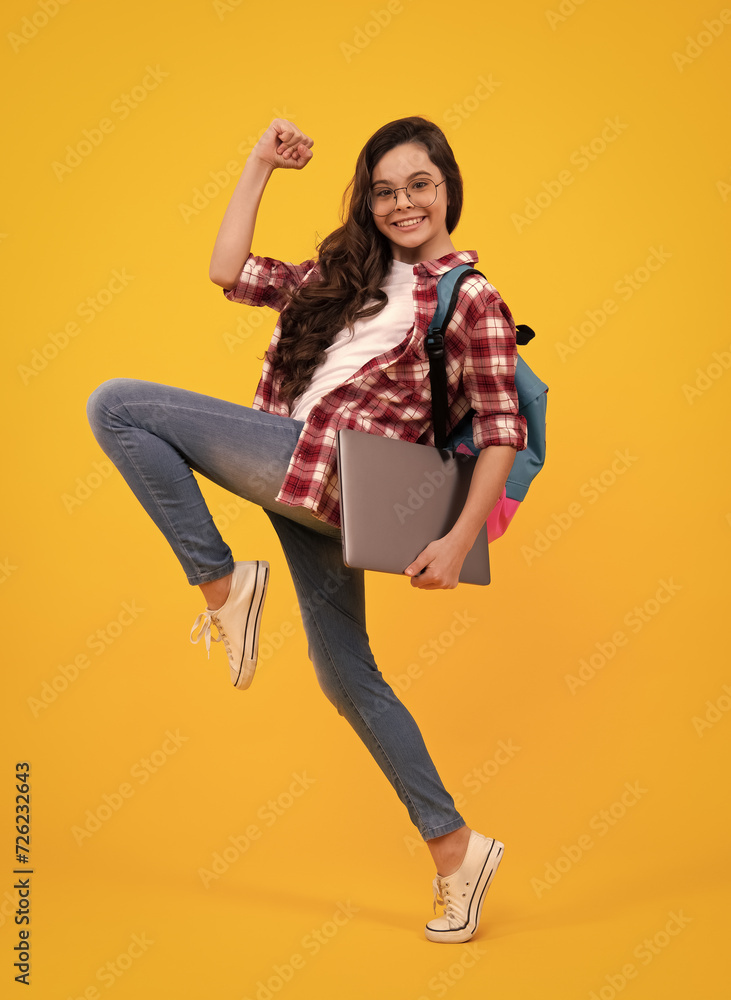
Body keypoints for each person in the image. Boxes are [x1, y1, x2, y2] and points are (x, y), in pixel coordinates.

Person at [86, 115, 527, 943]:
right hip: (307, 483)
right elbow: (229, 270)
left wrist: (459, 538)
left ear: (447, 188)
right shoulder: (346, 272)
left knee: (118, 405)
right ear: (368, 199)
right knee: (346, 679)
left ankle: (223, 582)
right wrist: (259, 162)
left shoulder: (470, 298)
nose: (402, 204)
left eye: (419, 185)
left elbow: (503, 428)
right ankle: (455, 852)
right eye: (385, 190)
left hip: (333, 473)